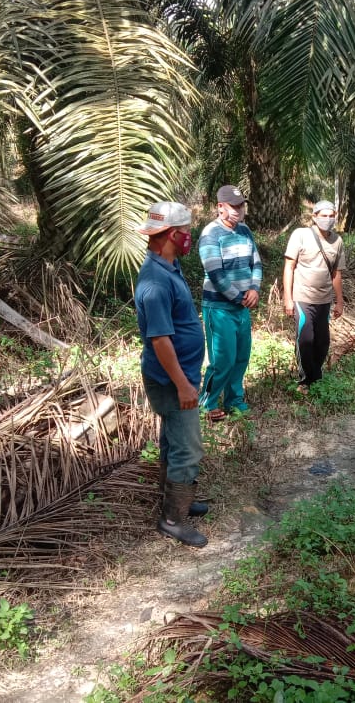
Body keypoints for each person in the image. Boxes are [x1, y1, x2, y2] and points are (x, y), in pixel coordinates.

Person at [135, 201, 208, 547]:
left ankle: (178, 500)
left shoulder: (169, 267)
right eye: (186, 233)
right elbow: (160, 339)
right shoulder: (154, 282)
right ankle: (173, 519)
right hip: (170, 379)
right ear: (170, 235)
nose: (190, 238)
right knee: (188, 447)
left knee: (173, 439)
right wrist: (182, 385)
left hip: (180, 374)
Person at [198, 185, 262, 421]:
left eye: (240, 206)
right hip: (219, 308)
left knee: (241, 356)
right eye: (233, 206)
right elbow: (216, 273)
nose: (238, 211)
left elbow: (256, 262)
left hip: (242, 307)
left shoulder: (244, 231)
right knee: (222, 358)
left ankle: (234, 399)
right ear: (220, 207)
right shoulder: (210, 234)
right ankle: (208, 403)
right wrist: (239, 296)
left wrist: (254, 289)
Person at [283, 200, 345, 392]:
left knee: (323, 341)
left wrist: (339, 301)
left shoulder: (337, 241)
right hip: (302, 298)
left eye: (331, 216)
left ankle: (316, 376)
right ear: (314, 217)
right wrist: (288, 298)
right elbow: (289, 267)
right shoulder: (300, 235)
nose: (328, 220)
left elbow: (336, 273)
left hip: (324, 300)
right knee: (305, 339)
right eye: (323, 216)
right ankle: (305, 380)